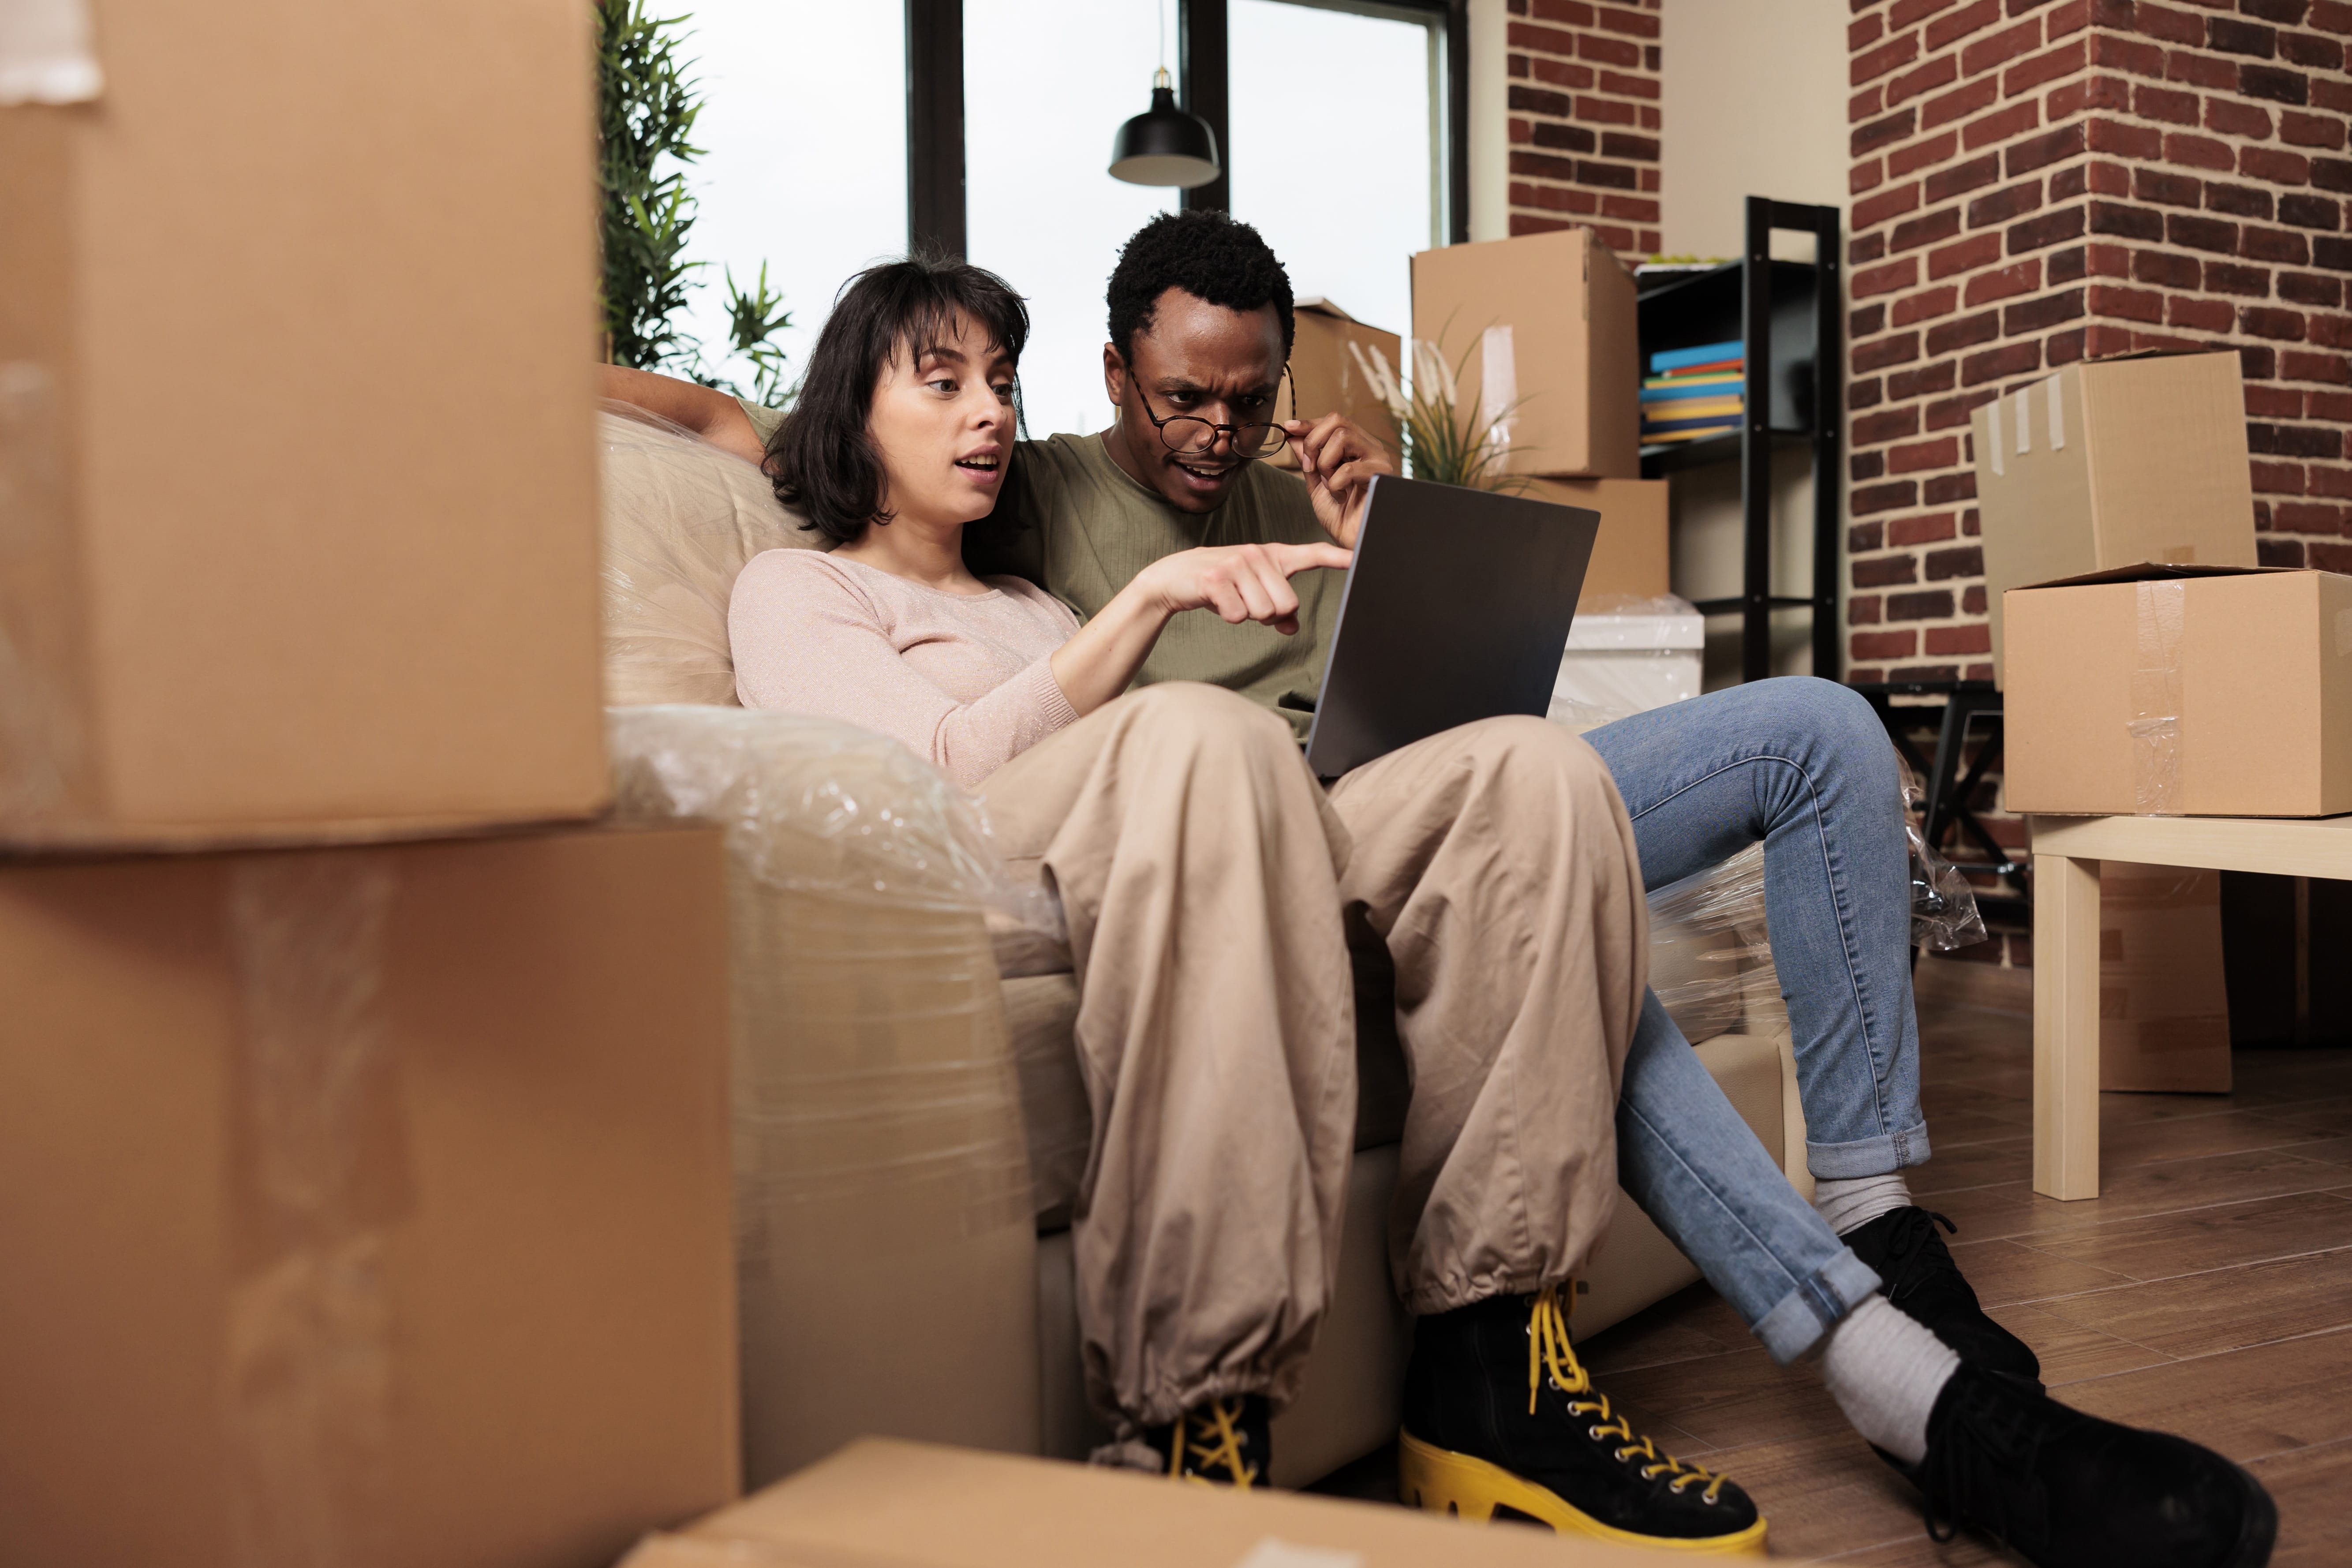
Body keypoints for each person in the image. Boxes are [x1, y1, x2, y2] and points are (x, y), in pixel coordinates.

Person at [609, 232, 2275, 1568]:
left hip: (1258, 813)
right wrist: (1158, 611)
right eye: (941, 380)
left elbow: (1307, 719)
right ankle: (1199, 1417)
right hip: (1097, 816)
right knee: (1201, 738)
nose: (985, 411)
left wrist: (1379, 527)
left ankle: (1493, 1369)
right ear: (864, 405)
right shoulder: (799, 578)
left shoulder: (1033, 589)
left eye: (996, 379)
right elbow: (938, 775)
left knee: (1532, 778)